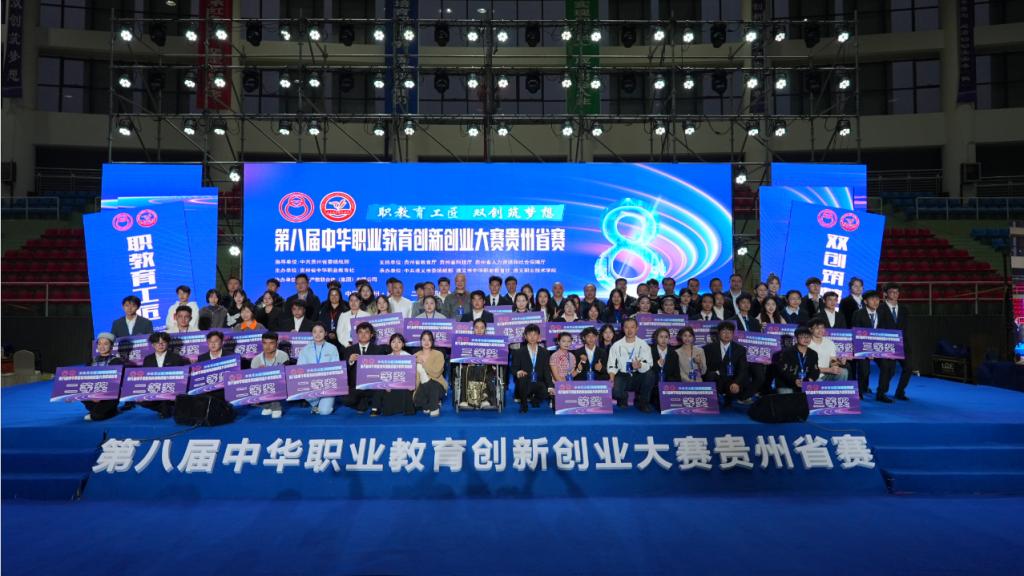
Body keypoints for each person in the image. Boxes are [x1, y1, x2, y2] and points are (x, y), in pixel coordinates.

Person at [851, 290, 896, 402]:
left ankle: (881, 393)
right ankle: (859, 391)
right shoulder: (858, 314)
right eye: (872, 299)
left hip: (879, 347)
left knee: (887, 367)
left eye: (877, 299)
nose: (875, 301)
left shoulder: (883, 312)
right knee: (864, 371)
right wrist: (867, 351)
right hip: (862, 348)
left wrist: (888, 349)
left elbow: (887, 331)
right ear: (865, 301)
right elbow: (856, 333)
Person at [607, 318, 655, 412]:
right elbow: (611, 364)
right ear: (623, 329)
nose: (629, 330)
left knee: (650, 374)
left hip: (638, 375)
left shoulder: (643, 344)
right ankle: (623, 398)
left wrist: (640, 365)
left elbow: (649, 364)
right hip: (622, 375)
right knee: (615, 392)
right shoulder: (616, 345)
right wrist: (612, 378)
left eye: (632, 327)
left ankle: (642, 402)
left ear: (637, 328)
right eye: (626, 327)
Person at [140, 332, 190, 418]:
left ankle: (167, 408)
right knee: (140, 401)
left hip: (171, 389)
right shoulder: (148, 359)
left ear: (168, 343)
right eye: (157, 343)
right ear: (153, 345)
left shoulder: (176, 358)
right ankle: (164, 408)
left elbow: (181, 379)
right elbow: (145, 378)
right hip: (154, 389)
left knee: (168, 401)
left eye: (163, 342)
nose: (160, 345)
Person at [298, 323, 342, 415]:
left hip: (327, 384)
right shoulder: (304, 350)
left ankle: (321, 405)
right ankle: (315, 404)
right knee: (302, 387)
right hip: (311, 383)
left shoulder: (332, 348)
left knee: (324, 412)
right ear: (312, 334)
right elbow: (299, 369)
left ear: (325, 333)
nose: (317, 334)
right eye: (315, 332)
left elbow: (336, 369)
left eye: (320, 331)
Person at [369, 333, 418, 417]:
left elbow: (413, 374)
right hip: (391, 386)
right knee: (378, 384)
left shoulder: (409, 357)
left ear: (403, 344)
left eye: (399, 342)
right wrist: (386, 385)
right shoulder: (386, 358)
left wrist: (412, 384)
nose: (396, 344)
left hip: (405, 385)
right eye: (393, 342)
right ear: (390, 343)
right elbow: (384, 376)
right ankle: (375, 408)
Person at [702, 322, 752, 405]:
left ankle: (729, 398)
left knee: (742, 380)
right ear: (719, 333)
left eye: (730, 332)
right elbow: (705, 368)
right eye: (724, 332)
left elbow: (742, 369)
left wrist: (736, 382)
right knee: (710, 375)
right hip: (715, 379)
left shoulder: (740, 349)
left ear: (733, 334)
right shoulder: (708, 348)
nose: (727, 334)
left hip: (731, 380)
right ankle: (713, 398)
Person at [343, 322, 387, 413]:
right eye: (360, 332)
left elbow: (382, 369)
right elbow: (343, 372)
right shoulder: (349, 350)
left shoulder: (378, 350)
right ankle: (363, 401)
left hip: (373, 385)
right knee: (346, 400)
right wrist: (350, 361)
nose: (363, 335)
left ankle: (369, 402)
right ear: (357, 335)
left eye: (366, 332)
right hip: (355, 386)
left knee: (383, 393)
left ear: (371, 335)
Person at [457, 318, 500, 410]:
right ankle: (465, 400)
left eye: (482, 328)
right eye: (476, 327)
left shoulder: (492, 342)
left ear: (485, 329)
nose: (479, 330)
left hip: (486, 367)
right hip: (469, 367)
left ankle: (485, 400)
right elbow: (460, 356)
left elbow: (497, 358)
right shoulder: (466, 342)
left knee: (483, 369)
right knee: (465, 369)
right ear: (473, 329)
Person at [880, 283, 913, 400]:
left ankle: (900, 392)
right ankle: (881, 393)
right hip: (886, 344)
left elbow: (906, 327)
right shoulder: (880, 308)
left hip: (902, 344)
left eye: (897, 292)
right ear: (885, 294)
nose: (895, 294)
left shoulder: (904, 309)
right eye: (892, 292)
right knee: (890, 370)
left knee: (909, 367)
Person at [82, 332, 125, 422]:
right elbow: (85, 380)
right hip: (92, 394)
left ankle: (102, 412)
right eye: (99, 344)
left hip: (110, 395)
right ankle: (98, 411)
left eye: (105, 344)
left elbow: (116, 384)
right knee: (81, 393)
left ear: (111, 346)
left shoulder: (116, 361)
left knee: (98, 416)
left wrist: (100, 395)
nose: (102, 346)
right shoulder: (91, 361)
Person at [511, 324, 553, 412]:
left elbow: (546, 370)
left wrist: (550, 386)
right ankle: (523, 404)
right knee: (522, 379)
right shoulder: (518, 352)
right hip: (525, 381)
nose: (532, 337)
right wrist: (518, 372)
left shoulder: (545, 352)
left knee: (547, 390)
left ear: (539, 336)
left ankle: (535, 400)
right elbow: (513, 368)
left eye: (535, 334)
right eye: (530, 335)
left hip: (539, 381)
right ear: (525, 336)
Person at [250, 331, 289, 418]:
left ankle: (276, 407)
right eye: (265, 343)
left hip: (280, 384)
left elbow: (286, 376)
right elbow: (253, 382)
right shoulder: (256, 360)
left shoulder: (283, 356)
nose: (267, 346)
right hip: (263, 386)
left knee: (276, 381)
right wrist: (259, 374)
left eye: (271, 343)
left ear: (277, 344)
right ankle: (267, 405)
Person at [774, 326, 821, 393]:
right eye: (802, 337)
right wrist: (794, 380)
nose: (806, 339)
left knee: (819, 383)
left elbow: (815, 370)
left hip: (805, 382)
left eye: (808, 337)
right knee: (787, 396)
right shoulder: (787, 352)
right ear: (796, 338)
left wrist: (810, 379)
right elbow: (782, 371)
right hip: (787, 384)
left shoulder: (813, 353)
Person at [413, 331, 448, 417]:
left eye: (429, 340)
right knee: (416, 400)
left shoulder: (438, 354)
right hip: (421, 386)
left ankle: (434, 407)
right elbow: (413, 376)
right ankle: (431, 404)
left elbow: (436, 373)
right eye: (424, 339)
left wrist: (423, 363)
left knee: (432, 385)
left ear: (432, 341)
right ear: (420, 341)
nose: (426, 342)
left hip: (438, 385)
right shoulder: (415, 356)